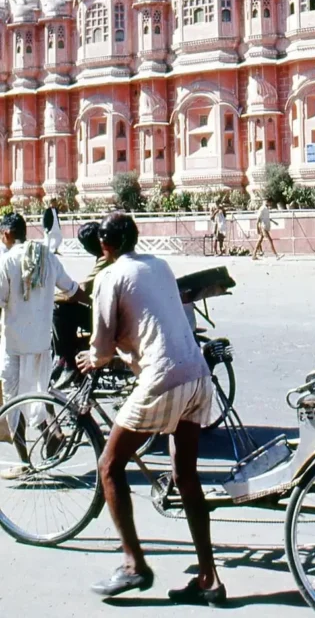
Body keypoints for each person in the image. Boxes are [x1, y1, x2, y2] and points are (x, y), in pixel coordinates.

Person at [76, 212, 226, 605]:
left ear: (103, 247)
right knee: (186, 476)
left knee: (109, 465)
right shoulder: (159, 265)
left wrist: (93, 358)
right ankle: (208, 578)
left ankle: (133, 565)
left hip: (164, 379)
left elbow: (103, 348)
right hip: (197, 375)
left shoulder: (109, 276)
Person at [0, 213, 86, 473]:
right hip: (41, 343)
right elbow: (72, 290)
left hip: (14, 345)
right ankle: (53, 434)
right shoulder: (48, 256)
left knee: (12, 402)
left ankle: (25, 462)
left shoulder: (7, 261)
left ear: (5, 234)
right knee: (39, 393)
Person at [51, 222, 110, 390]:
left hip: (110, 317)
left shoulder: (105, 260)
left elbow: (82, 289)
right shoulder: (104, 257)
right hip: (109, 311)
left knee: (59, 309)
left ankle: (68, 362)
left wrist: (54, 297)